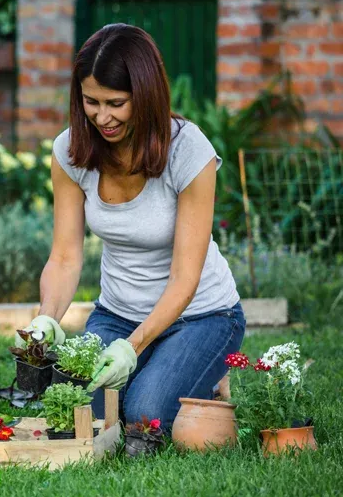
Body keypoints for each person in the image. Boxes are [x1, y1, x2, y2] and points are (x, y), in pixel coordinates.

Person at [18, 23, 245, 430]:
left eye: (116, 103)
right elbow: (66, 256)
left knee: (144, 415)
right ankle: (166, 371)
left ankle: (203, 375)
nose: (102, 117)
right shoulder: (70, 152)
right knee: (79, 412)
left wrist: (133, 347)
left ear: (145, 95)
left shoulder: (190, 151)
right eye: (91, 101)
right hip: (116, 315)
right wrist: (46, 319)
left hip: (201, 315)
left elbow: (185, 277)